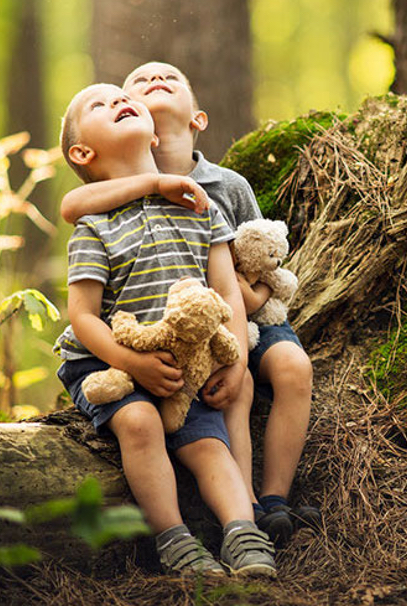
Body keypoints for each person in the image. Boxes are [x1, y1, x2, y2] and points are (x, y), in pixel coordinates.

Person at [60, 61, 320, 547]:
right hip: (171, 329)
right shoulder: (116, 201)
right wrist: (154, 184)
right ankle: (244, 506)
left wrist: (242, 338)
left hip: (241, 320)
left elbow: (255, 265)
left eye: (171, 77)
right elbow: (73, 208)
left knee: (286, 368)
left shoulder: (225, 189)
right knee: (224, 400)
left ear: (195, 119)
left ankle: (271, 501)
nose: (152, 81)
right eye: (134, 84)